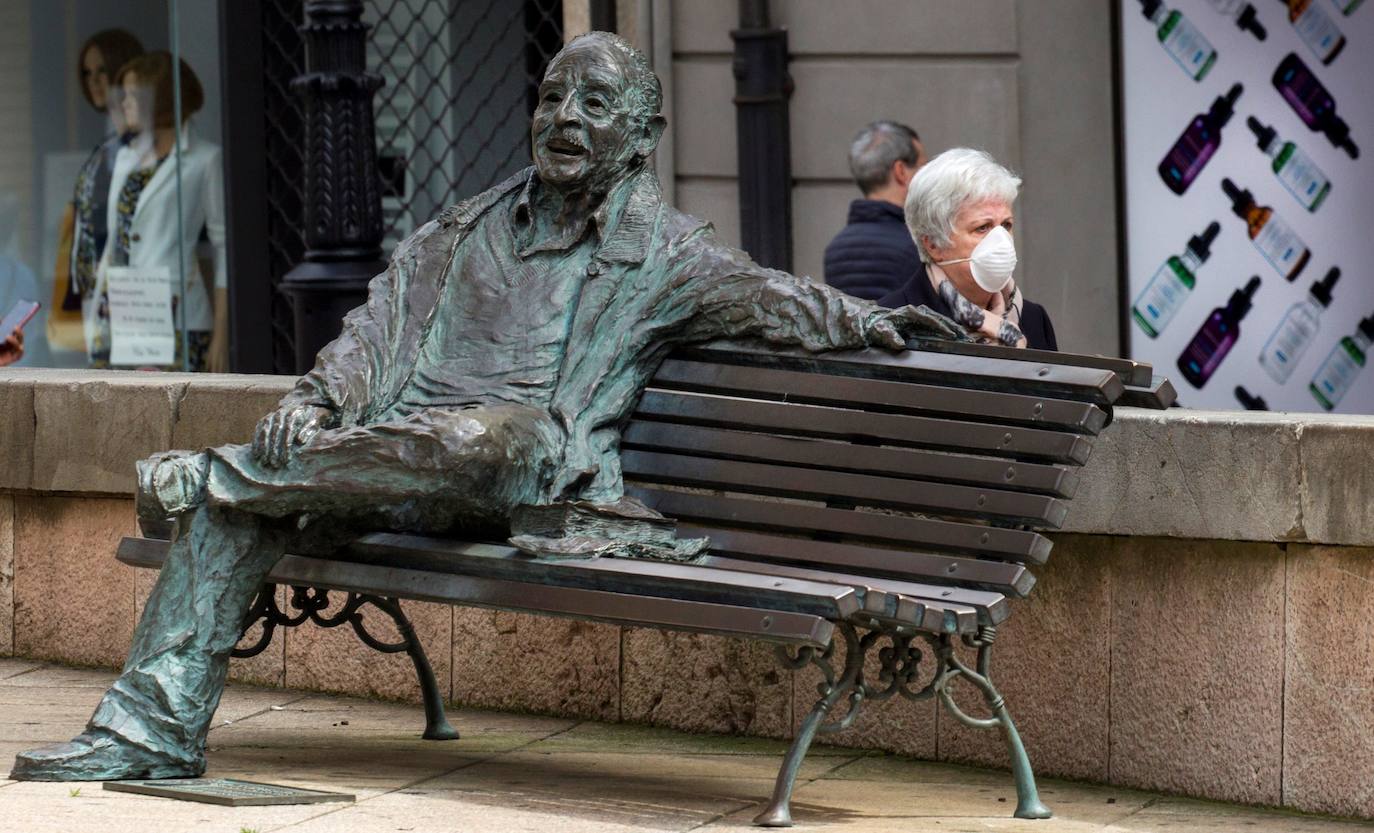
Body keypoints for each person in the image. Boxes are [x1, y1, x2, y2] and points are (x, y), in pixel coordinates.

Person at [12, 31, 962, 782]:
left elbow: (772, 298)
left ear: (640, 136)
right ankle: (148, 732)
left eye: (596, 103)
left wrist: (881, 324)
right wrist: (315, 399)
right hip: (382, 463)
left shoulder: (664, 250)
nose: (566, 117)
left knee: (485, 436)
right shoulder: (460, 227)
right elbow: (372, 332)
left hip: (519, 468)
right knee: (245, 506)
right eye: (554, 97)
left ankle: (209, 476)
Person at [83, 51, 228, 372]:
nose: (125, 103)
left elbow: (224, 249)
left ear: (160, 98)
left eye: (135, 95)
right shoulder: (124, 159)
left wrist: (221, 333)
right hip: (121, 312)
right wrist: (94, 315)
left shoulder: (204, 160)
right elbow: (114, 244)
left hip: (176, 319)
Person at [879, 148, 1057, 351]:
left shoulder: (1034, 319)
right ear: (934, 244)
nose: (1001, 240)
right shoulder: (891, 323)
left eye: (1006, 225)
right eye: (982, 228)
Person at [49, 29, 144, 355]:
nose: (94, 81)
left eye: (102, 70)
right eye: (87, 73)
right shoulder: (105, 151)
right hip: (96, 301)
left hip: (137, 299)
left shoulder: (143, 149)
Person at [823, 120, 928, 300]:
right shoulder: (919, 244)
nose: (928, 176)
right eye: (922, 166)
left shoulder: (835, 249)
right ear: (901, 171)